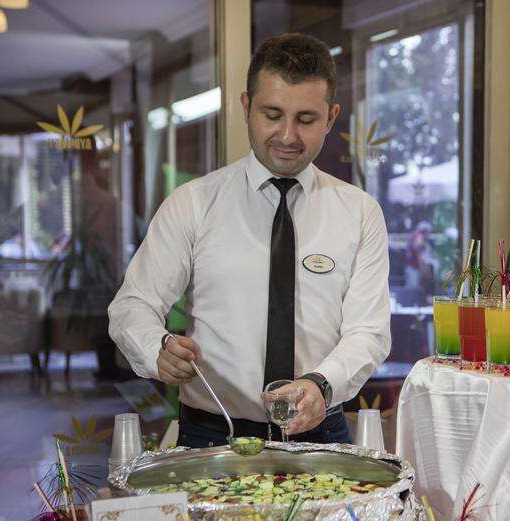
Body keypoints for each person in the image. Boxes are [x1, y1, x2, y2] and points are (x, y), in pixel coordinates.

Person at [108, 34, 391, 447]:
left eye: (306, 119)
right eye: (272, 115)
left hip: (321, 434)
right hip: (212, 434)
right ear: (245, 107)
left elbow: (369, 331)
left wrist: (321, 383)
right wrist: (157, 348)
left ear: (331, 118)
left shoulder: (360, 212)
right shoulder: (194, 203)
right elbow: (132, 305)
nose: (287, 135)